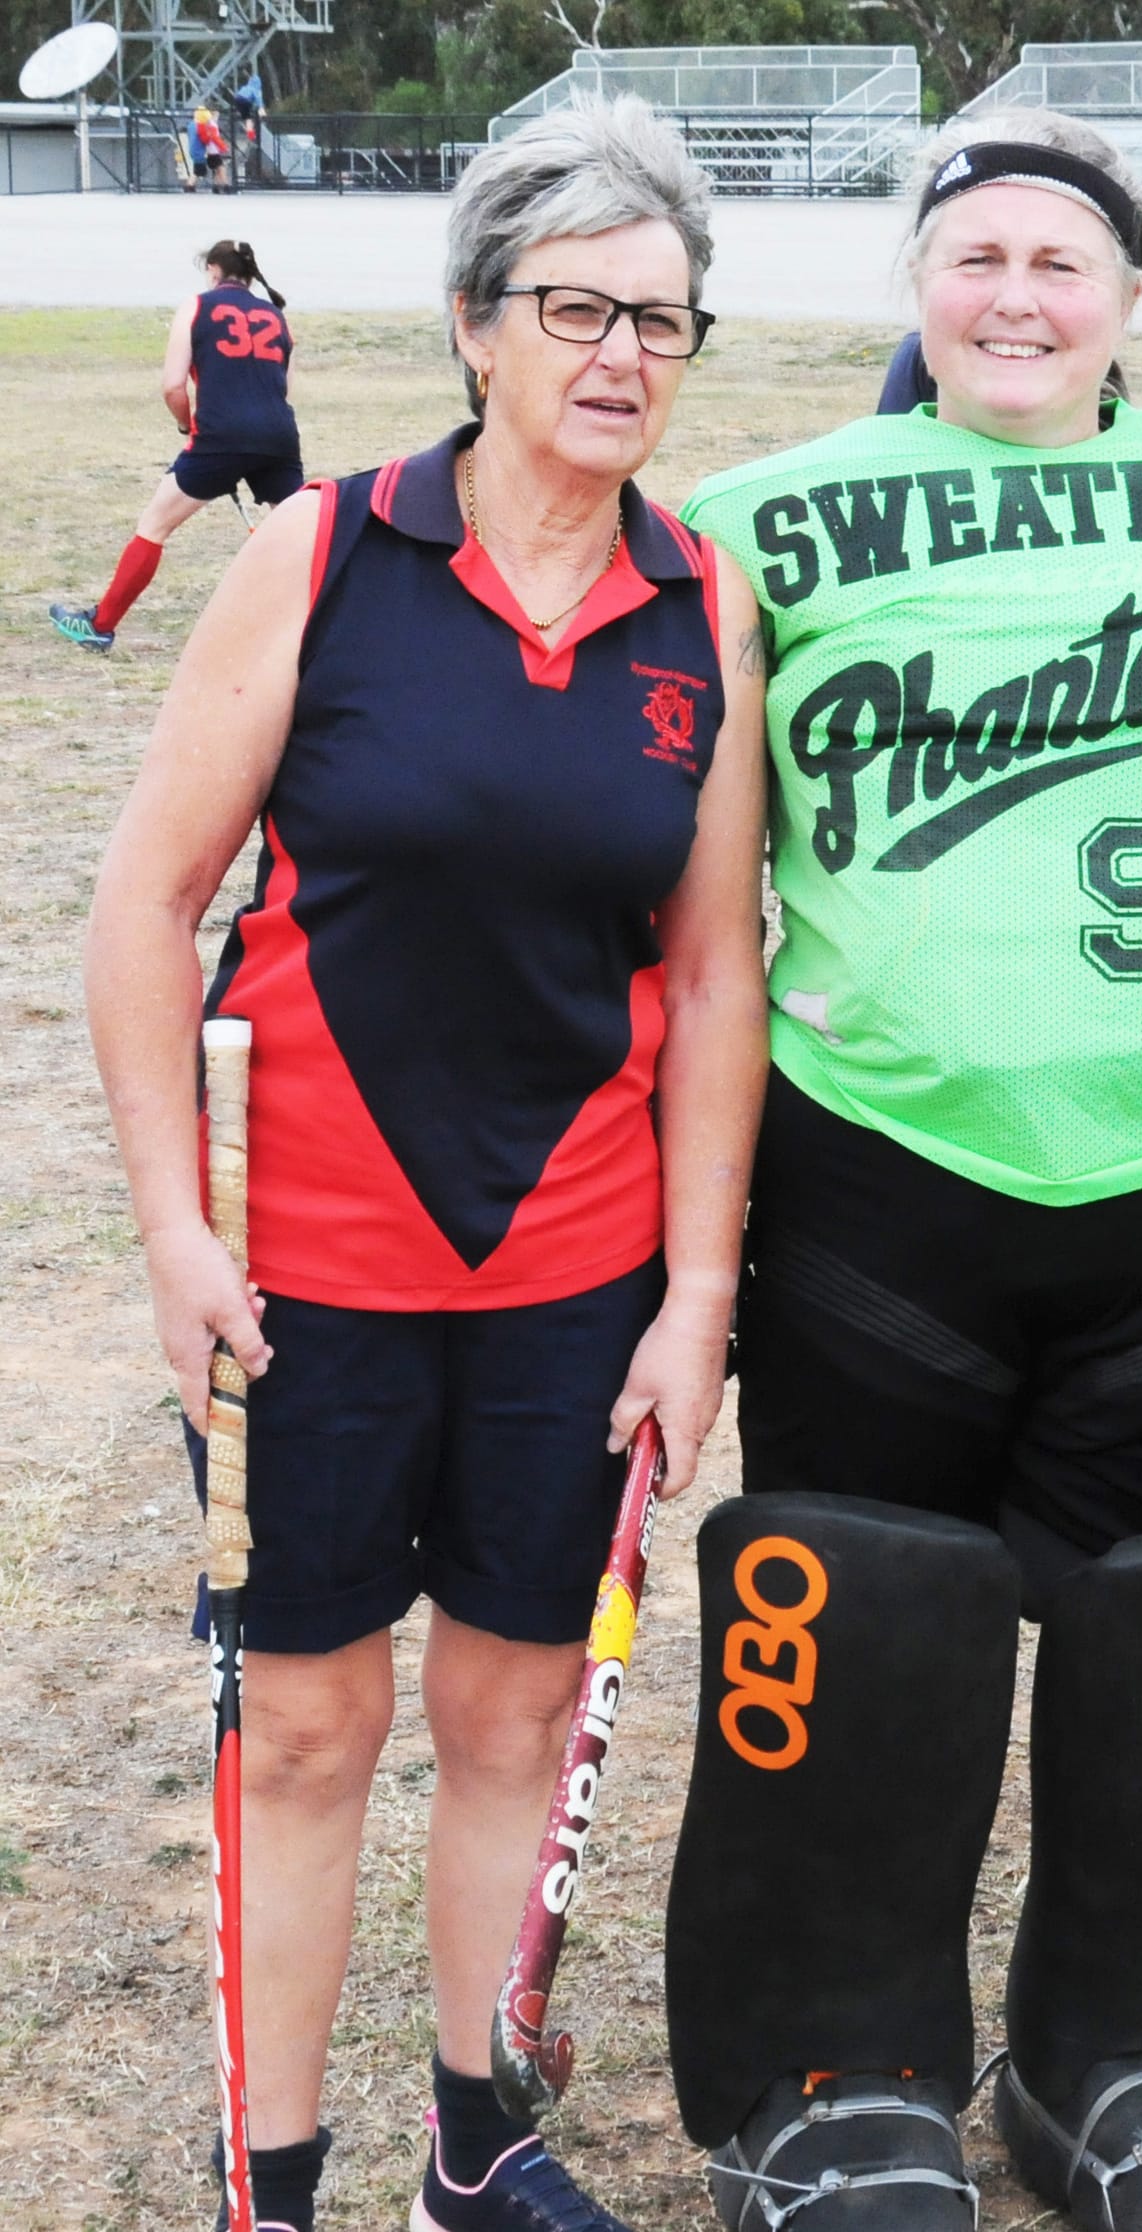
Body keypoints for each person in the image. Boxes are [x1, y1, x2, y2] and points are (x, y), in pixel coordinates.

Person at [667, 108, 1142, 2232]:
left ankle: (1122, 2047)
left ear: (1135, 296)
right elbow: (692, 890)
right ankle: (835, 2068)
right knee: (865, 1634)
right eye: (975, 254)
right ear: (916, 285)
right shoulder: (755, 526)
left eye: (1060, 260)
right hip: (882, 1179)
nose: (1015, 292)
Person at [83, 98, 767, 2232]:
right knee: (305, 1730)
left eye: (662, 318)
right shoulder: (333, 553)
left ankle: (476, 2139)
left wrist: (695, 1294)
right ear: (479, 324)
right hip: (306, 1274)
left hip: (571, 1270)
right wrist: (178, 1233)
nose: (621, 354)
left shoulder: (699, 602)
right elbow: (137, 905)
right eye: (575, 305)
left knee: (514, 1703)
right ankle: (271, 2183)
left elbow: (718, 971)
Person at [51, 241, 304, 656]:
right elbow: (285, 388)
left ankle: (100, 625)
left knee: (154, 525)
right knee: (303, 537)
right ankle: (332, 625)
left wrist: (187, 424)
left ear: (212, 270)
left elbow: (172, 386)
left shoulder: (196, 307)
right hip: (278, 437)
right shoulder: (277, 316)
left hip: (219, 437)